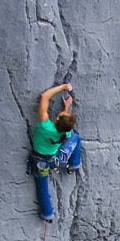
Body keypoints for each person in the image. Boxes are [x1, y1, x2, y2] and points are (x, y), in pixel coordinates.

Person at [29, 83, 82, 220]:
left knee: (42, 187)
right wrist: (66, 108)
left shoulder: (45, 127)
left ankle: (47, 214)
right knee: (76, 137)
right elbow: (65, 127)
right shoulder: (66, 133)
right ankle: (73, 164)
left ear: (58, 118)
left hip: (40, 162)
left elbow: (44, 97)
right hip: (56, 160)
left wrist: (63, 87)